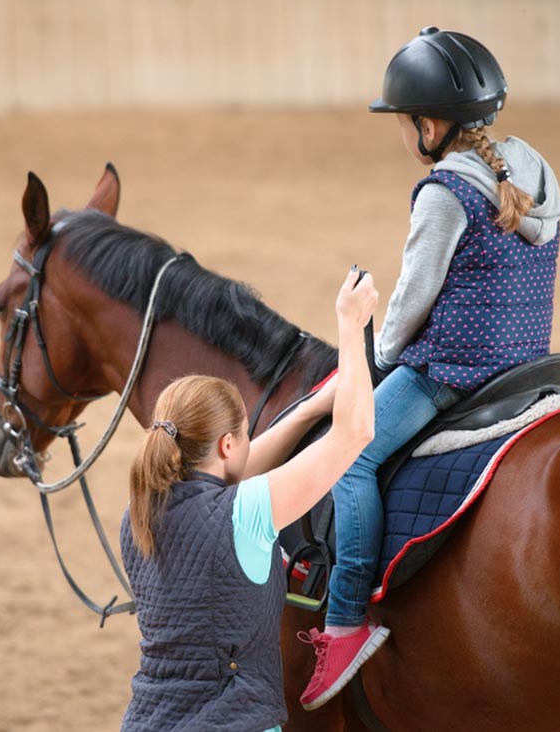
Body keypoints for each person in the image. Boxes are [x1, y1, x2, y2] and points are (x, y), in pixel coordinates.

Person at [298, 26, 560, 710]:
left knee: (350, 455)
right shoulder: (534, 170)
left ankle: (345, 621)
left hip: (454, 370)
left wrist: (376, 360)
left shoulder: (444, 192)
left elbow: (413, 298)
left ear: (428, 126)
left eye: (404, 122)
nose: (403, 134)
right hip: (528, 363)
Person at [119, 268, 378, 732]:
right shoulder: (245, 513)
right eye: (242, 435)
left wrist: (310, 409)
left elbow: (234, 471)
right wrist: (351, 325)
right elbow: (355, 433)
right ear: (226, 445)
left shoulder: (138, 512)